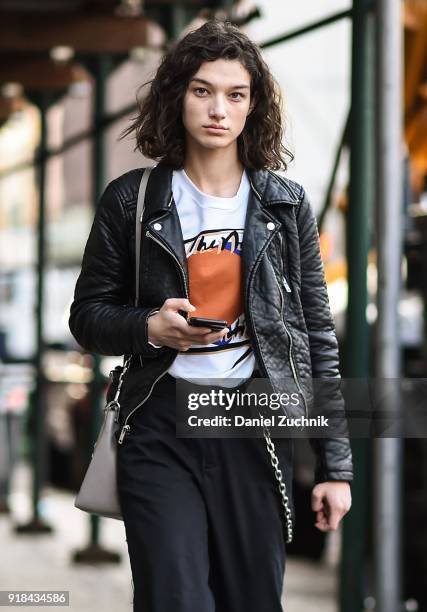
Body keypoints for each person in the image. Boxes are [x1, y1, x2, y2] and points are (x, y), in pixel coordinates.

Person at [69, 19, 353, 612]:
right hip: (159, 423)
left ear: (253, 107)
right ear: (177, 97)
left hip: (251, 423)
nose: (218, 109)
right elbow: (88, 316)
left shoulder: (285, 204)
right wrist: (149, 325)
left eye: (235, 94)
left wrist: (334, 465)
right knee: (173, 598)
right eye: (202, 90)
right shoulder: (133, 199)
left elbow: (314, 335)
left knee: (251, 599)